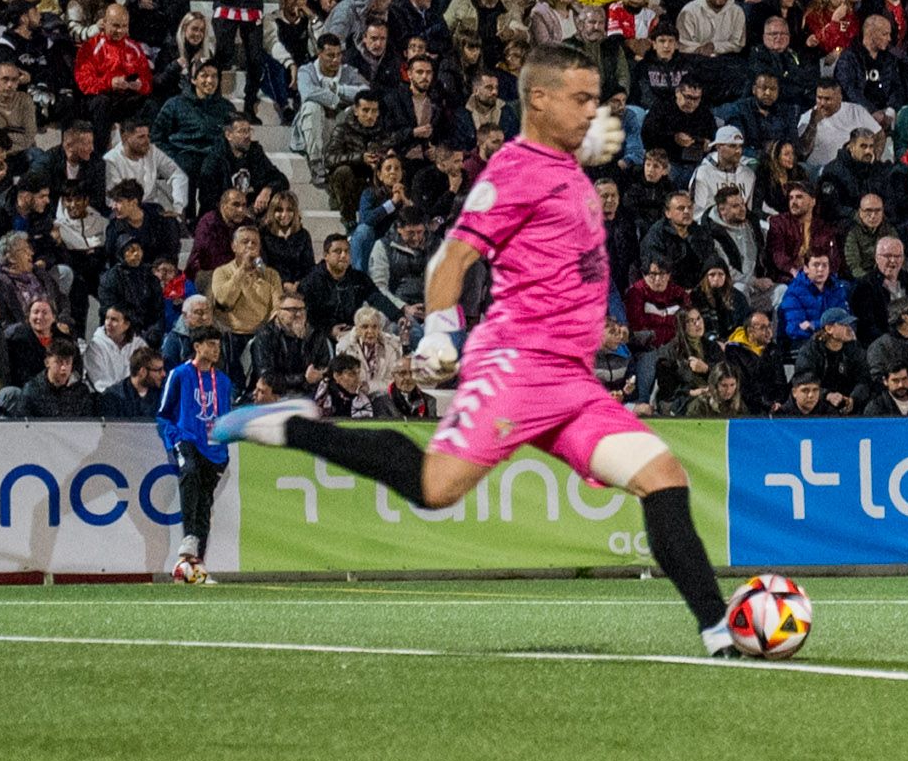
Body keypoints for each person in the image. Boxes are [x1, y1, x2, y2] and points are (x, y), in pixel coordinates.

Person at [223, 42, 742, 648]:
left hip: (572, 383)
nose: (591, 113)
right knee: (436, 489)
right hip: (515, 369)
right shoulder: (517, 168)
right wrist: (442, 329)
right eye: (579, 100)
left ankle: (717, 629)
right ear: (539, 101)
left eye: (594, 101)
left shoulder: (567, 164)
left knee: (662, 474)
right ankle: (294, 427)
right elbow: (453, 254)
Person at [155, 319, 239, 586]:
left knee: (204, 505)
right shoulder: (179, 375)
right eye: (211, 345)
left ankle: (193, 567)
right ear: (197, 346)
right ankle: (189, 538)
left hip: (214, 448)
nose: (216, 350)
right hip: (186, 437)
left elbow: (224, 417)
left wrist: (224, 448)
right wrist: (174, 437)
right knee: (189, 471)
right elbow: (164, 413)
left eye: (218, 345)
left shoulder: (223, 381)